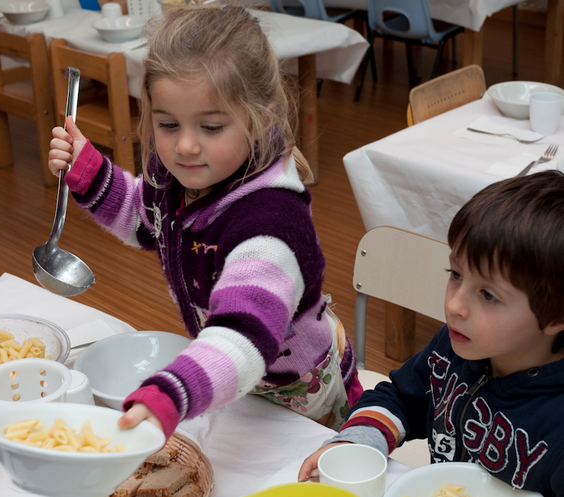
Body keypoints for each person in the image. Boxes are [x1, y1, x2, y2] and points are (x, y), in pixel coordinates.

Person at [48, 5, 362, 441]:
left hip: (301, 398)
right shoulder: (180, 172)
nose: (186, 145)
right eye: (168, 124)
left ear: (261, 120)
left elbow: (242, 335)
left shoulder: (271, 225)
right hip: (232, 379)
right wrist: (91, 174)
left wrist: (172, 394)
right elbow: (146, 220)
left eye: (211, 126)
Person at [299, 170, 564, 495]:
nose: (455, 305)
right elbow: (401, 397)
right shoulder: (454, 348)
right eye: (455, 274)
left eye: (488, 295)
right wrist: (358, 442)